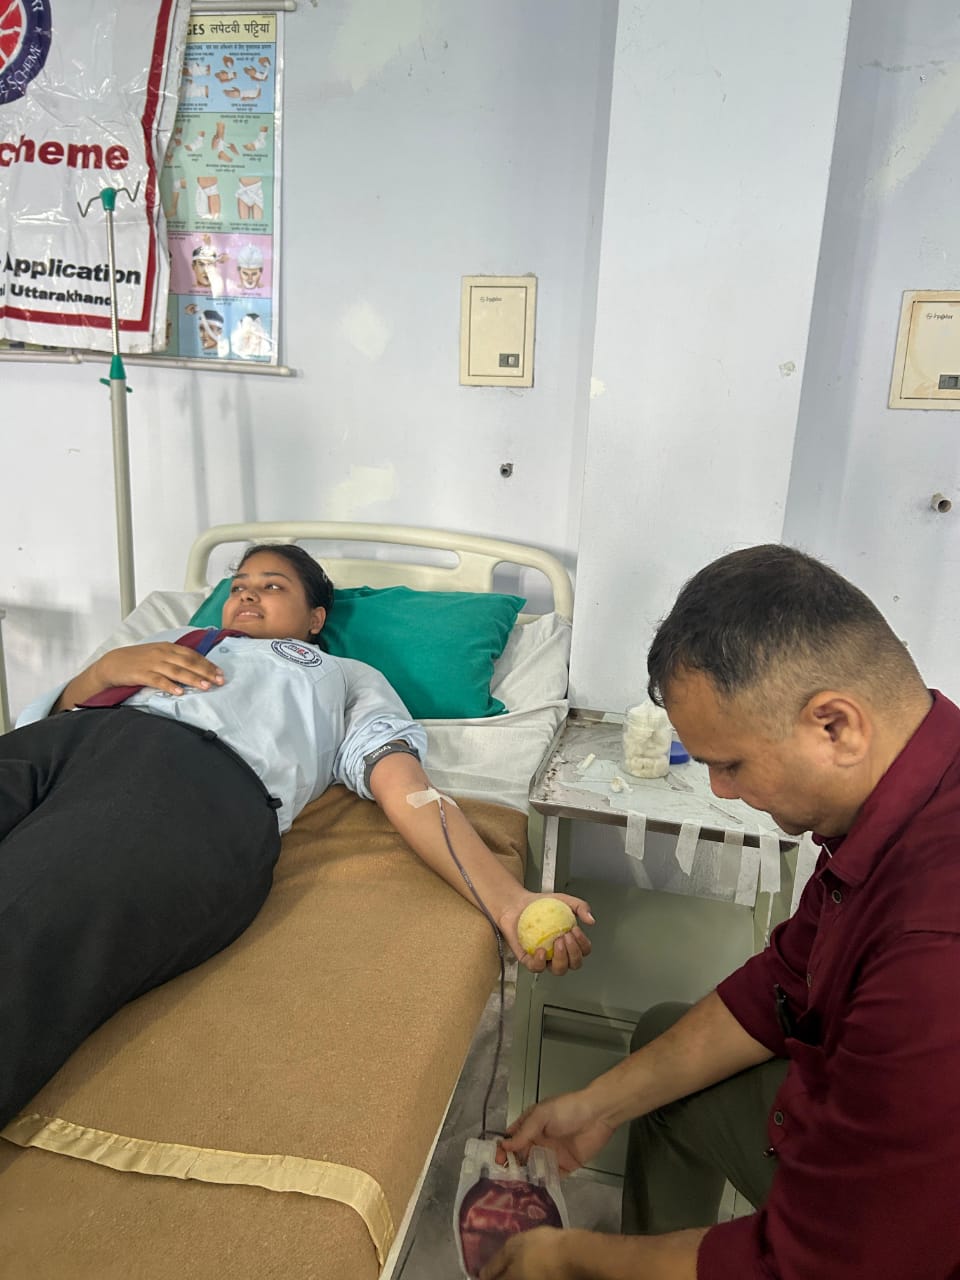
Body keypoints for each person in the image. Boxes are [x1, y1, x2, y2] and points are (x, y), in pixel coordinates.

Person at [481, 544, 960, 1280]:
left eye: (730, 764)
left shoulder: (934, 946)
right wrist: (597, 1107)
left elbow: (826, 1264)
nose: (722, 792)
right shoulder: (904, 797)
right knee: (664, 1037)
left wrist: (572, 1257)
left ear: (835, 726)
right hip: (866, 1114)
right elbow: (781, 984)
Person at [0, 545, 593, 1132]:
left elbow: (408, 791)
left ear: (315, 619)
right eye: (238, 585)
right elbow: (48, 716)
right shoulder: (177, 638)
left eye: (272, 585)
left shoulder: (344, 676)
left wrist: (508, 902)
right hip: (62, 742)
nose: (247, 594)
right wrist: (102, 672)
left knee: (29, 913)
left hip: (184, 776)